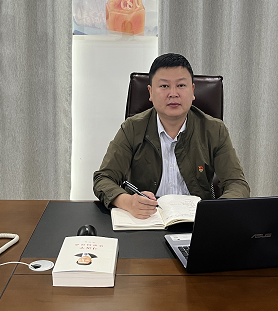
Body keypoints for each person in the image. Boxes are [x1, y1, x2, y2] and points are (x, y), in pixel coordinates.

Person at [93, 53, 250, 219]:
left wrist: (216, 212)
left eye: (181, 85)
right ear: (150, 92)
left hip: (197, 222)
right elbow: (103, 178)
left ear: (193, 90)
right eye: (164, 86)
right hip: (147, 220)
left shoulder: (215, 130)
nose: (173, 93)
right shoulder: (132, 128)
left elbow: (237, 183)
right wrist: (127, 201)